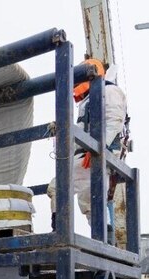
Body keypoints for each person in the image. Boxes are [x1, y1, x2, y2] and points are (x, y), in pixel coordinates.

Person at [46, 59, 128, 235]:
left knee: (57, 187)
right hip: (90, 154)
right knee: (91, 201)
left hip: (96, 153)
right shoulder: (92, 97)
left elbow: (115, 120)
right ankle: (104, 240)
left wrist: (98, 148)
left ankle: (59, 232)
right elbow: (84, 130)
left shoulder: (109, 90)